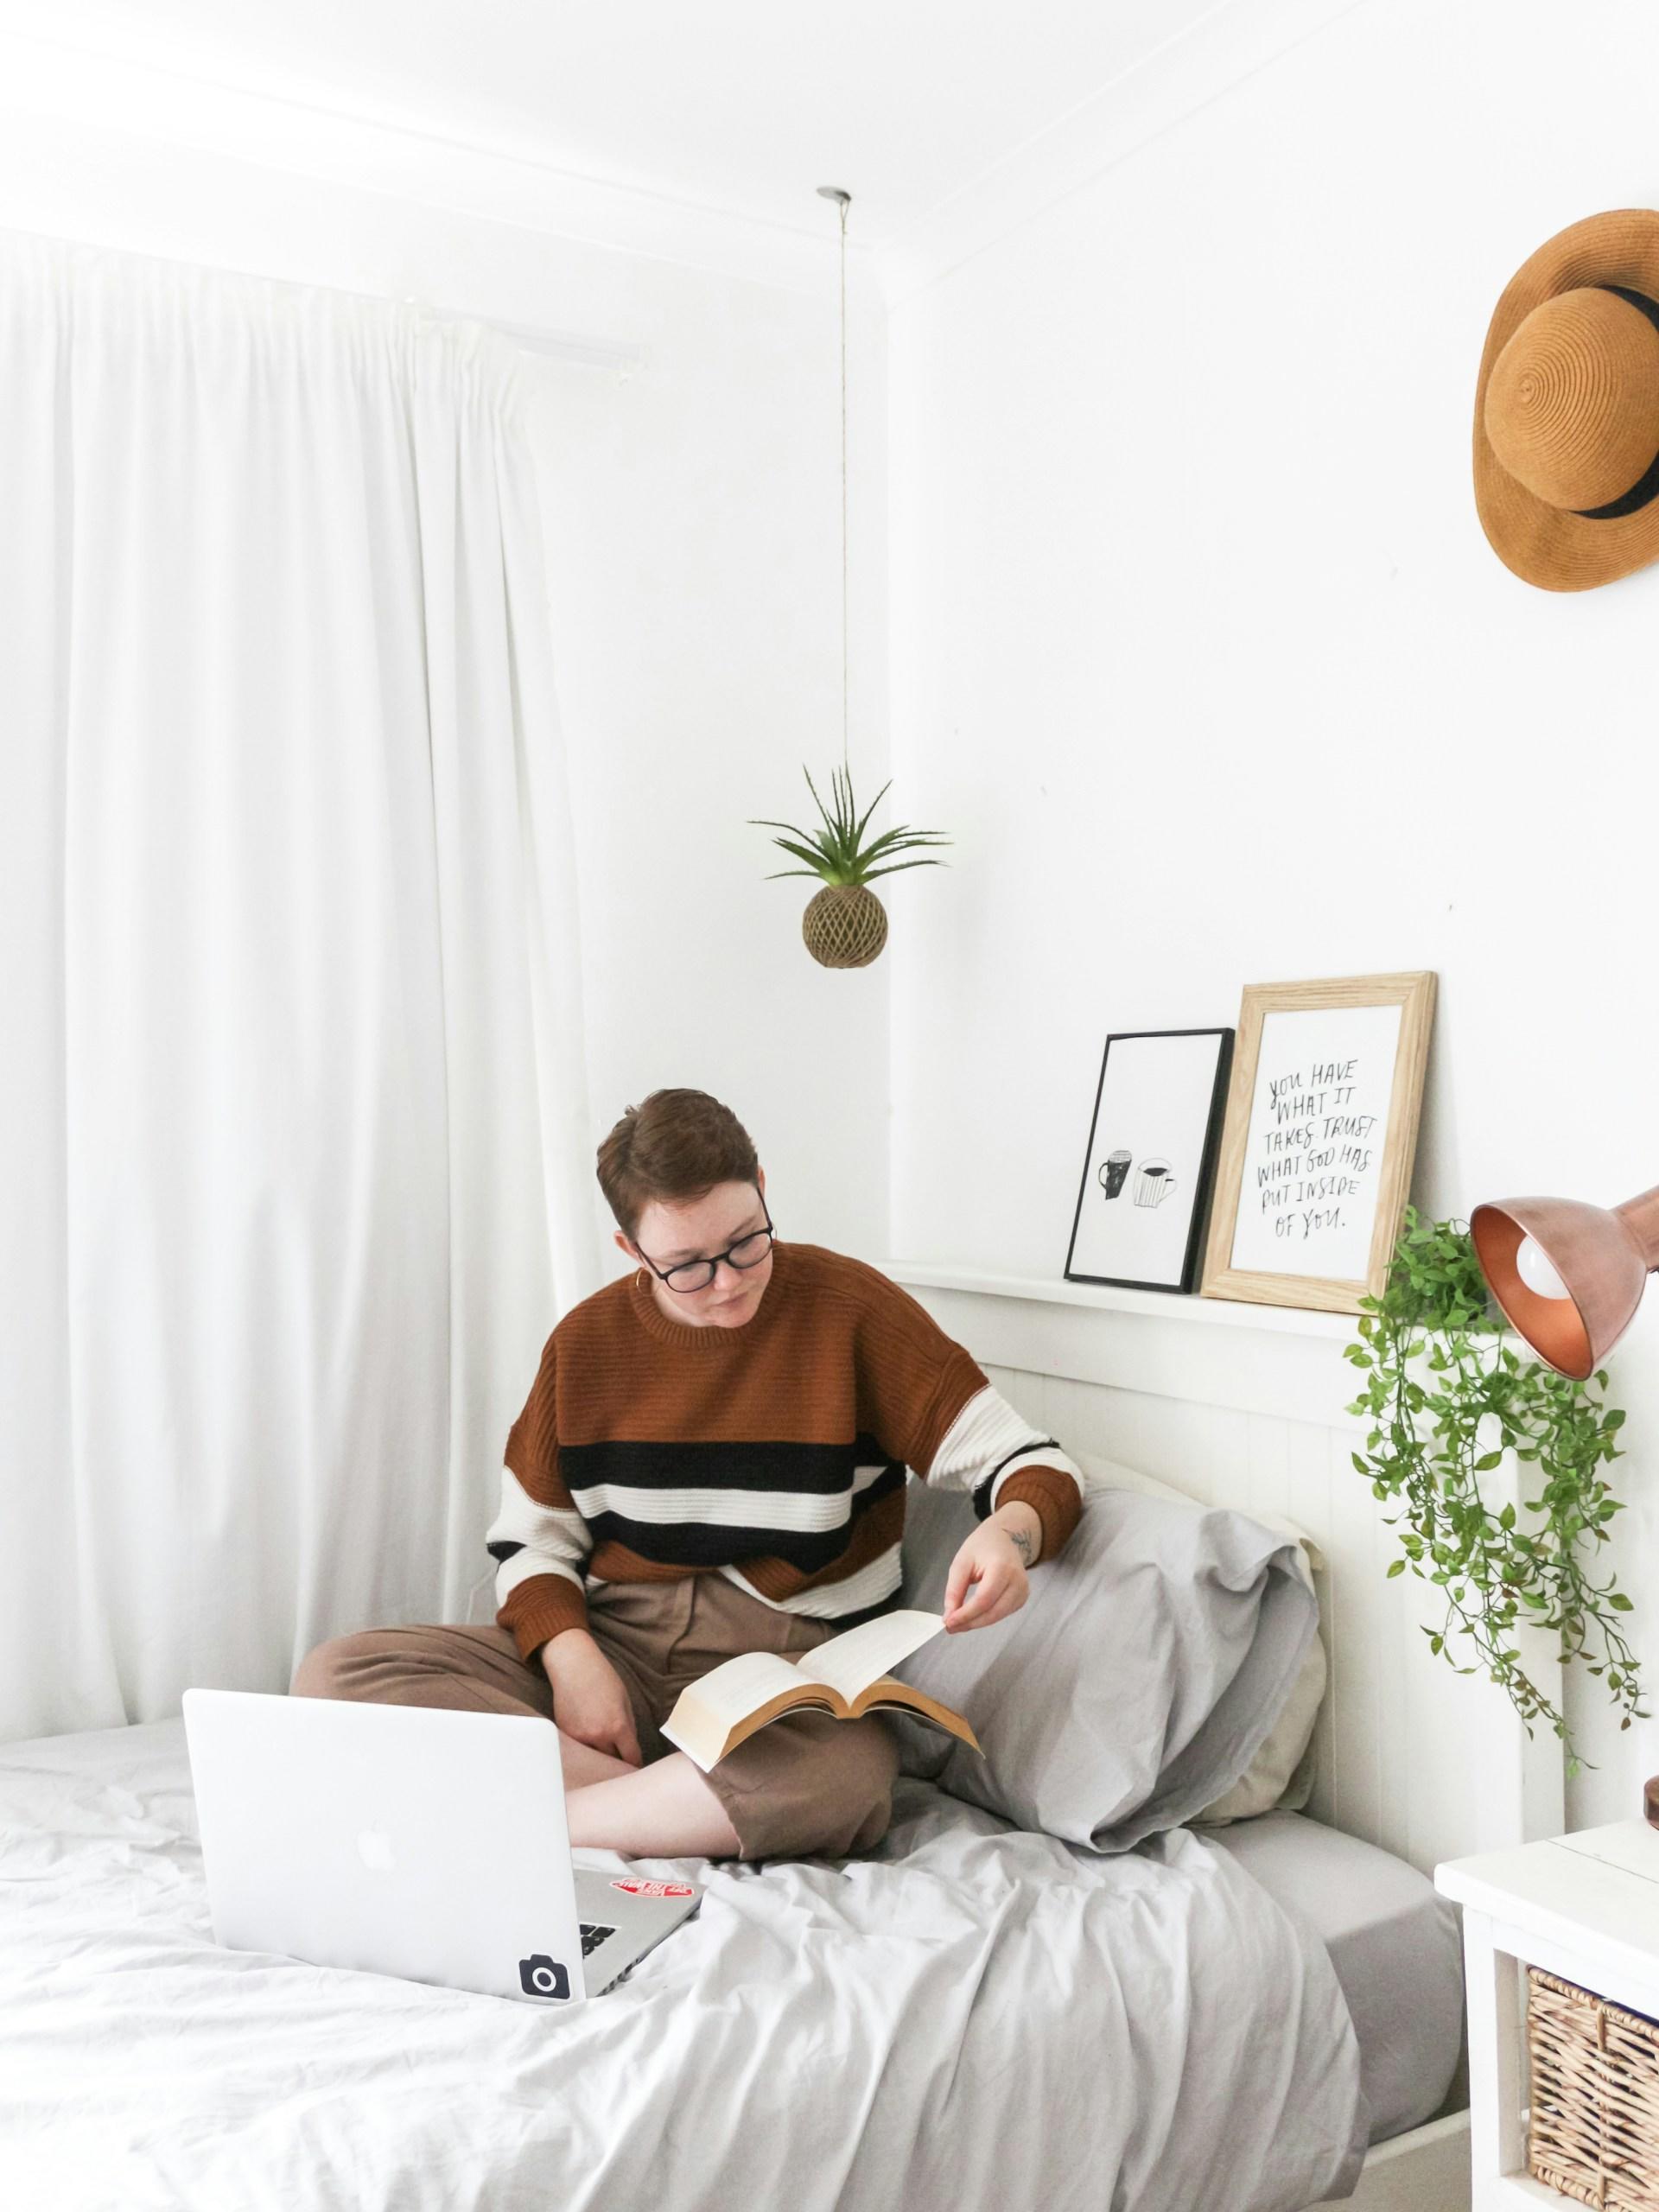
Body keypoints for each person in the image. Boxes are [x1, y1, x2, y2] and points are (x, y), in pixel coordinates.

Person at [292, 1089, 1086, 1863]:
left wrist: (1009, 1534)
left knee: (848, 1779)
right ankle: (667, 1803)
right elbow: (530, 1546)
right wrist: (573, 1662)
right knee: (337, 1677)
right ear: (632, 1253)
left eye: (746, 1240)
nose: (731, 1280)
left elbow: (1031, 1464)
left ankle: (555, 1818)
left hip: (785, 1678)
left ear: (764, 1189)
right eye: (688, 1266)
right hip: (616, 1648)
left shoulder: (853, 1311)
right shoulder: (584, 1346)